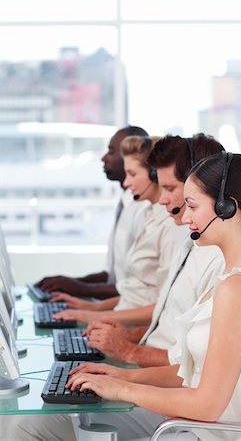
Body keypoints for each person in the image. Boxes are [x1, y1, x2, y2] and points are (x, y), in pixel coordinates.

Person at [9, 151, 241, 441]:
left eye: (192, 206)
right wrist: (121, 376)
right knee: (44, 423)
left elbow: (208, 405)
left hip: (220, 432)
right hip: (205, 427)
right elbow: (194, 374)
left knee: (39, 426)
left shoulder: (239, 289)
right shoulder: (237, 276)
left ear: (227, 208)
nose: (185, 217)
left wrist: (122, 389)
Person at [76, 134, 226, 367]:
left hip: (163, 374)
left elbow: (197, 366)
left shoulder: (220, 260)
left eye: (169, 188)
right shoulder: (190, 243)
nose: (163, 199)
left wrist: (128, 355)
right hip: (151, 359)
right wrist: (128, 336)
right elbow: (170, 323)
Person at [51, 135, 184, 324]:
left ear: (154, 174)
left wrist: (92, 316)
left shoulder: (172, 224)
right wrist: (91, 308)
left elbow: (164, 303)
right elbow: (136, 292)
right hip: (122, 319)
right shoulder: (148, 215)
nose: (126, 183)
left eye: (133, 174)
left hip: (136, 327)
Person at [35, 125, 149, 299]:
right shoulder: (125, 203)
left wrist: (79, 289)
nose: (104, 158)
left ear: (131, 157)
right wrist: (69, 283)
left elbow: (137, 288)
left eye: (111, 151)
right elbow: (112, 276)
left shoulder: (143, 210)